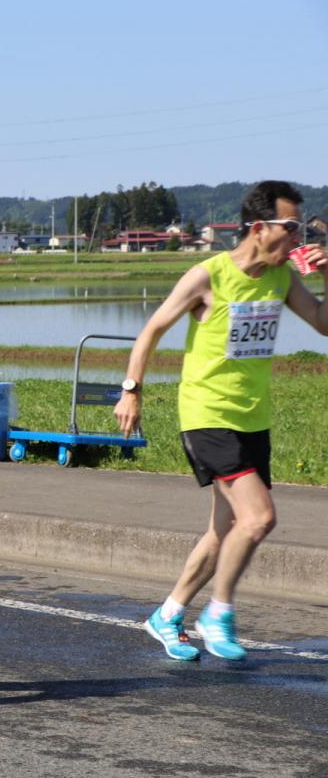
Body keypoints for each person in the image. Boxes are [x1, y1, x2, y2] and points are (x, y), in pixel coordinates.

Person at [115, 180, 328, 662]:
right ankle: (220, 612)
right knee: (259, 518)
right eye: (291, 227)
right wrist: (132, 391)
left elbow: (322, 321)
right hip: (206, 414)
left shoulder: (280, 277)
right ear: (258, 228)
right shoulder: (207, 275)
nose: (298, 237)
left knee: (225, 529)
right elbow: (152, 330)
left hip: (253, 417)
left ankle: (167, 613)